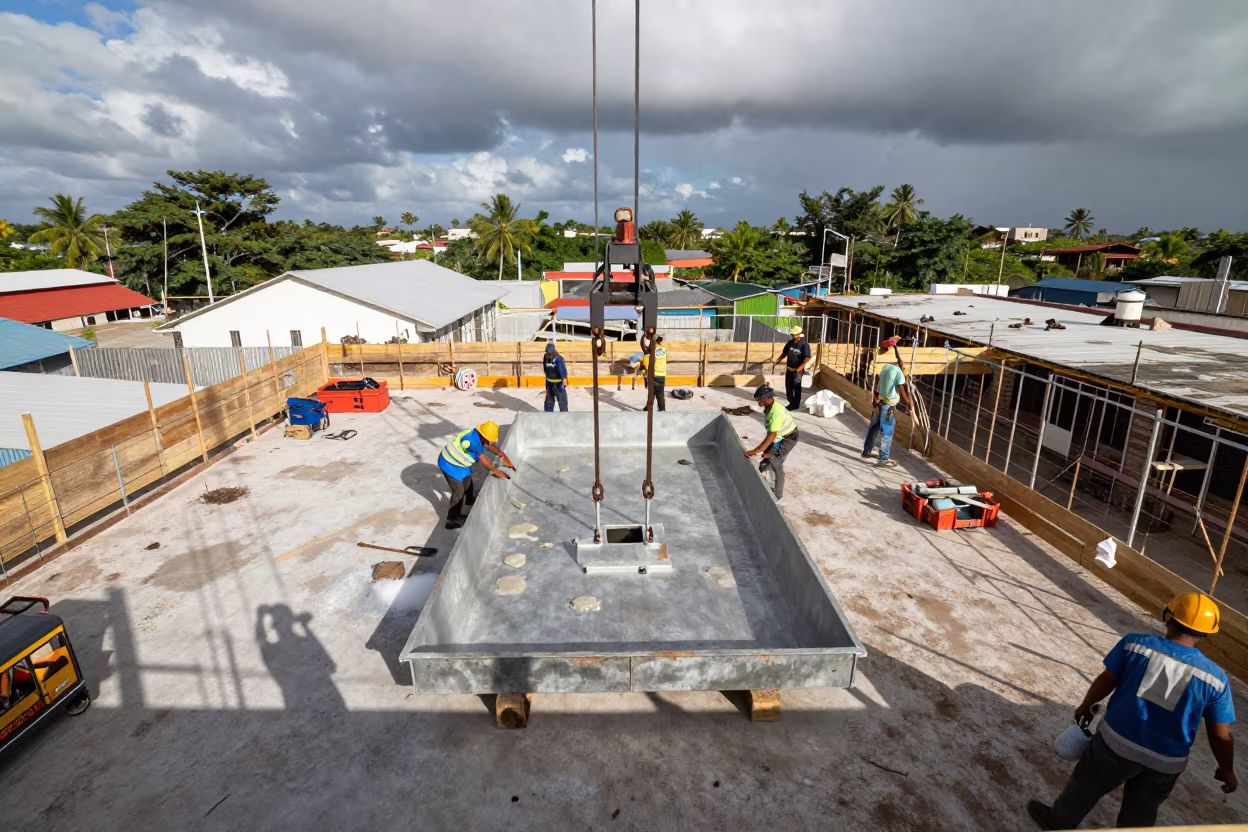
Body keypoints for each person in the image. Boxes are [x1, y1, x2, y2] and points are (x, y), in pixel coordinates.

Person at [1028, 593, 1237, 830]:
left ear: (1169, 618)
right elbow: (1221, 735)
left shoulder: (1135, 645)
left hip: (1115, 746)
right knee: (1142, 811)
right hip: (1166, 762)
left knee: (1084, 787)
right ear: (1206, 634)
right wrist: (1227, 770)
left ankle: (1057, 823)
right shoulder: (1216, 679)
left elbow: (1107, 680)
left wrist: (1086, 706)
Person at [437, 420, 515, 530]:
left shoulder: (476, 434)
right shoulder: (472, 441)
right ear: (483, 436)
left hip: (461, 464)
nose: (489, 443)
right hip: (449, 464)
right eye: (488, 440)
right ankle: (452, 520)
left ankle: (470, 502)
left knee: (468, 483)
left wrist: (502, 455)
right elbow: (483, 458)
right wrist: (496, 470)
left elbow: (488, 446)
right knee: (458, 492)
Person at [862, 336, 912, 469]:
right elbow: (902, 392)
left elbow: (876, 389)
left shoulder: (885, 369)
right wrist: (910, 405)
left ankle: (867, 450)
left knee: (873, 428)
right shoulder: (899, 374)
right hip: (888, 406)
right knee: (887, 432)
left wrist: (875, 403)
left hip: (879, 403)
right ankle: (883, 459)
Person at [743, 384, 798, 502]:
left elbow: (771, 436)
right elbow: (772, 436)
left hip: (788, 438)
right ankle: (764, 479)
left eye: (760, 399)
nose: (758, 401)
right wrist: (767, 451)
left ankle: (777, 496)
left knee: (776, 461)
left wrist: (755, 451)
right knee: (766, 458)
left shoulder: (776, 414)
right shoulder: (769, 407)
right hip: (779, 437)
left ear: (768, 398)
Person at [774, 326, 812, 411]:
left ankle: (795, 405)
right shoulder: (790, 343)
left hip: (797, 371)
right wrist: (778, 360)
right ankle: (791, 402)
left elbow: (807, 357)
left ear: (799, 334)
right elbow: (784, 353)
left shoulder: (804, 345)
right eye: (793, 334)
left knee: (797, 388)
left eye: (796, 334)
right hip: (789, 370)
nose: (794, 335)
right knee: (788, 388)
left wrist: (801, 367)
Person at [543, 342, 569, 412]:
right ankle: (548, 416)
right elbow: (545, 369)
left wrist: (564, 380)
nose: (549, 356)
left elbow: (562, 371)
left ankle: (564, 416)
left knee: (562, 402)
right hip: (549, 384)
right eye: (548, 354)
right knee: (548, 402)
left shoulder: (558, 359)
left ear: (554, 353)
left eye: (550, 354)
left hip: (559, 385)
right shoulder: (545, 357)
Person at [646, 336, 667, 412]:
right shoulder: (665, 350)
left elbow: (648, 362)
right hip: (662, 374)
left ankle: (650, 408)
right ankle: (661, 409)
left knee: (652, 392)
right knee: (660, 393)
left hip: (654, 374)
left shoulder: (652, 351)